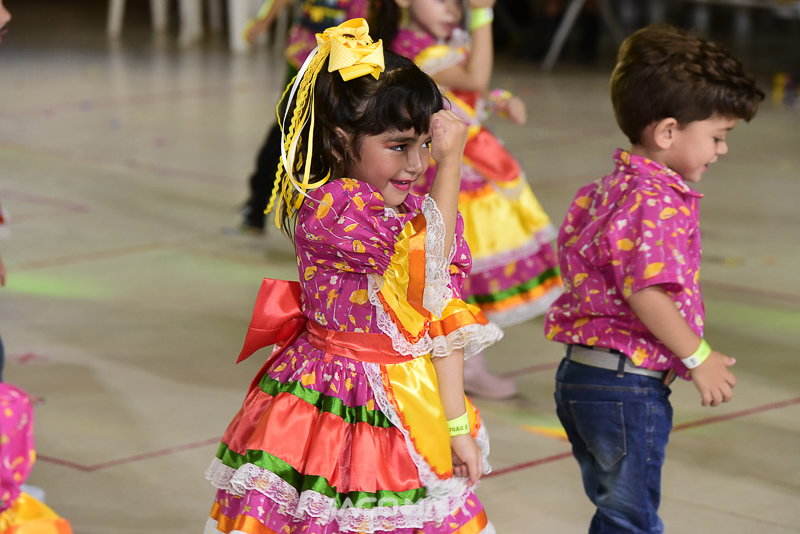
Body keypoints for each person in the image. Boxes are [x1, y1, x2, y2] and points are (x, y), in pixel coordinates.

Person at [205, 18, 502, 534]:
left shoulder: (411, 213)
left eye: (425, 146)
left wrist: (456, 427)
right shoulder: (334, 209)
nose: (417, 165)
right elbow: (430, 268)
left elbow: (441, 319)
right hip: (336, 400)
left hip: (412, 402)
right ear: (342, 141)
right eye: (398, 146)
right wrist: (450, 166)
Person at [544, 24, 764, 533]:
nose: (721, 150)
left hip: (583, 377)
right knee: (632, 521)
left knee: (619, 514)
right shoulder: (656, 201)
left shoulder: (610, 187)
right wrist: (698, 357)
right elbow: (646, 291)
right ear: (667, 132)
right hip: (624, 389)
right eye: (717, 137)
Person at [370, 0, 563, 399]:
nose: (452, 10)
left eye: (458, 2)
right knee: (450, 269)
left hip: (473, 165)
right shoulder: (415, 51)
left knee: (460, 269)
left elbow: (470, 90)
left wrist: (499, 99)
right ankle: (459, 367)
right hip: (443, 174)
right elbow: (475, 75)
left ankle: (460, 364)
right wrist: (483, 15)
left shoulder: (445, 43)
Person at [239, 0, 367, 233]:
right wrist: (265, 20)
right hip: (305, 61)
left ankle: (337, 220)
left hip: (345, 70)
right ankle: (258, 206)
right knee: (285, 135)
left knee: (335, 146)